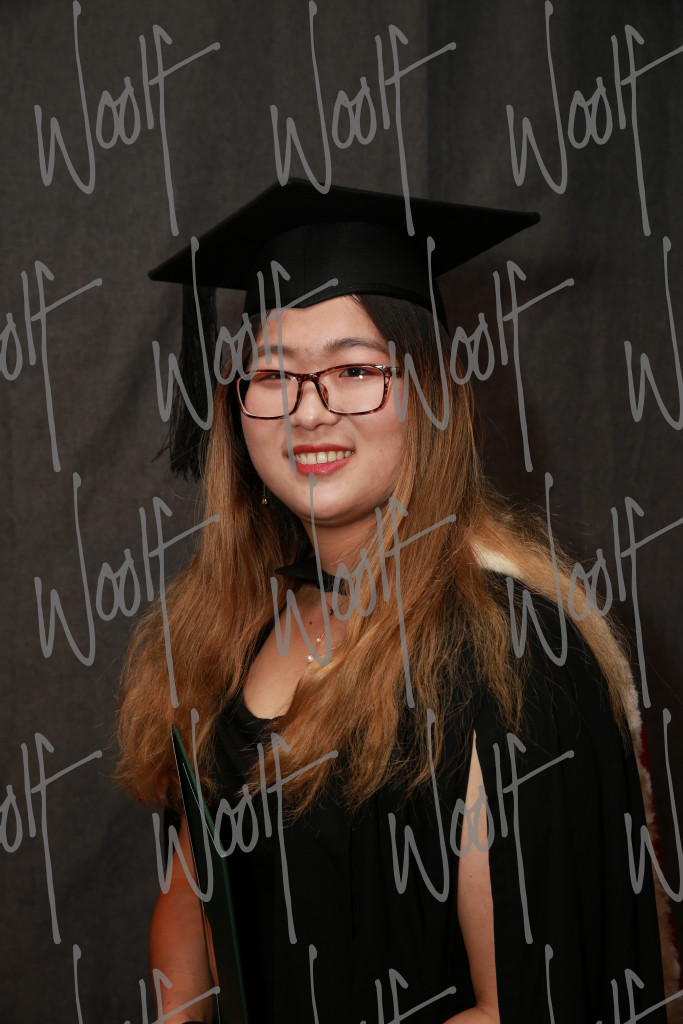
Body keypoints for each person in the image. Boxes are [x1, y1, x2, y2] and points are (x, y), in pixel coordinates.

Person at [116, 180, 676, 1024]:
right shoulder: (236, 628)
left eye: (354, 370)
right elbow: (190, 909)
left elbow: (522, 1003)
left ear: (430, 395)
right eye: (273, 374)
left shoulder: (513, 657)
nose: (309, 411)